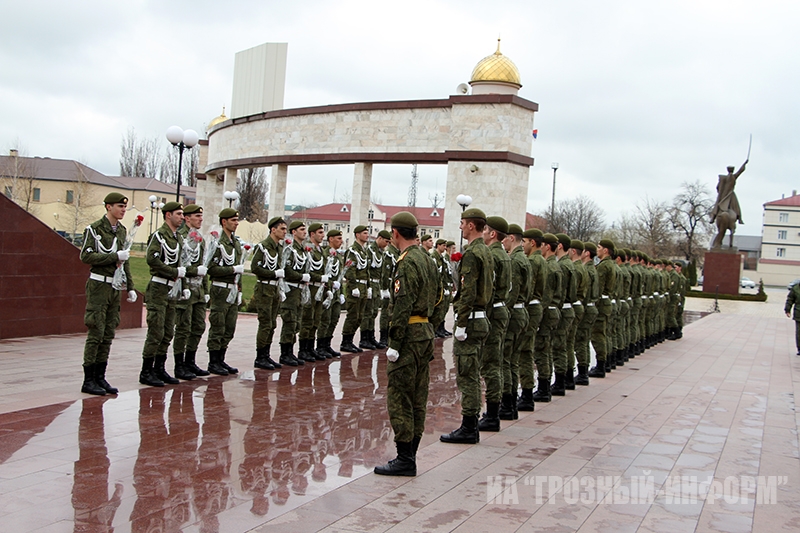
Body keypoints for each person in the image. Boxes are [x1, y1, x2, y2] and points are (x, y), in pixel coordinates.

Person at [374, 212, 437, 476]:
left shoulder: (408, 261)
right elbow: (439, 296)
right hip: (424, 330)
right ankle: (411, 452)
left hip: (409, 334)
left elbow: (402, 304)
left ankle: (404, 458)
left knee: (400, 396)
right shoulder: (428, 259)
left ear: (395, 234)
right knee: (418, 396)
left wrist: (395, 341)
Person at [441, 208, 493, 445]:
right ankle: (470, 424)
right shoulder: (486, 250)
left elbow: (469, 291)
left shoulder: (472, 253)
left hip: (471, 320)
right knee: (472, 372)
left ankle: (469, 427)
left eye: (462, 223)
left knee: (467, 374)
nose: (460, 227)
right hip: (480, 318)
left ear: (472, 226)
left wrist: (461, 323)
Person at [79, 192, 137, 395]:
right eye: (119, 206)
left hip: (114, 286)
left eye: (124, 207)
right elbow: (85, 255)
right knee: (96, 331)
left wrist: (130, 286)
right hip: (98, 286)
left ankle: (100, 376)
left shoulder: (121, 231)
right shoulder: (94, 229)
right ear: (108, 207)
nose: (123, 210)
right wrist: (113, 256)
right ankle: (88, 380)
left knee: (108, 333)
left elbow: (125, 261)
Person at [139, 201, 189, 387]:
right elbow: (152, 261)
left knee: (168, 331)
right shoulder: (159, 236)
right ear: (168, 215)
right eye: (179, 214)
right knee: (156, 331)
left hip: (172, 289)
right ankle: (146, 371)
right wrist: (173, 273)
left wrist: (182, 284)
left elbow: (180, 264)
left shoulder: (177, 238)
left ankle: (159, 368)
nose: (182, 218)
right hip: (159, 287)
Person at [478, 216, 511, 431]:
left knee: (490, 365)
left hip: (493, 311)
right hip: (501, 310)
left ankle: (491, 415)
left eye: (486, 230)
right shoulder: (504, 255)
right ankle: (494, 410)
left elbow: (487, 290)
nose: (482, 233)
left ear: (492, 234)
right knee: (496, 362)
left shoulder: (493, 255)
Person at [497, 223, 531, 423]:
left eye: (505, 238)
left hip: (514, 313)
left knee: (506, 361)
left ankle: (507, 405)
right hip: (522, 312)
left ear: (511, 237)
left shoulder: (516, 261)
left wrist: (503, 314)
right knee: (513, 360)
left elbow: (512, 292)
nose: (503, 242)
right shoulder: (522, 259)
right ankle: (510, 404)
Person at [173, 204, 210, 379]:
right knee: (183, 328)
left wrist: (206, 290)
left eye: (201, 217)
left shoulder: (199, 239)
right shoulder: (180, 237)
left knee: (198, 326)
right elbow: (180, 265)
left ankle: (190, 361)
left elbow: (203, 264)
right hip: (184, 289)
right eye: (197, 216)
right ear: (187, 218)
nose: (200, 219)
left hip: (198, 291)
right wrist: (195, 272)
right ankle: (179, 365)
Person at [206, 208, 244, 375]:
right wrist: (232, 269)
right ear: (224, 222)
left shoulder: (235, 242)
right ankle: (213, 361)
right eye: (233, 220)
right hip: (220, 289)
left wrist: (240, 287)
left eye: (237, 220)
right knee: (218, 326)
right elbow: (211, 268)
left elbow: (240, 269)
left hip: (233, 289)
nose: (236, 223)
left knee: (229, 327)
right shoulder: (217, 242)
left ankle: (221, 359)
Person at [250, 216, 288, 368]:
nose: (285, 232)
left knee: (272, 324)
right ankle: (260, 357)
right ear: (273, 229)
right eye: (282, 229)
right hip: (265, 288)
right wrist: (273, 274)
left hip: (274, 289)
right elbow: (255, 267)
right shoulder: (263, 246)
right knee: (265, 323)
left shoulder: (279, 247)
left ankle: (266, 354)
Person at [517, 228, 546, 411]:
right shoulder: (541, 260)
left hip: (531, 306)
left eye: (525, 241)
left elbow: (528, 288)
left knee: (525, 352)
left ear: (532, 243)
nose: (523, 245)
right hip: (536, 305)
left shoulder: (533, 261)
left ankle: (527, 394)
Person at [532, 233, 562, 402]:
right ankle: (546, 385)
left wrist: (538, 314)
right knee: (547, 349)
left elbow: (546, 294)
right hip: (554, 310)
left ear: (548, 247)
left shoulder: (550, 267)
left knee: (542, 350)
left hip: (547, 311)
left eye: (543, 245)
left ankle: (544, 388)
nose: (541, 248)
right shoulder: (554, 265)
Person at [279, 220, 313, 363]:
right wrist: (301, 277)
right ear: (294, 232)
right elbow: (286, 270)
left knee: (296, 323)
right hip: (291, 290)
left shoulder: (302, 249)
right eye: (301, 229)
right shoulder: (289, 248)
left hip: (299, 291)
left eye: (305, 230)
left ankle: (290, 352)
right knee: (289, 322)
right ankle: (284, 354)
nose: (305, 232)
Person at [299, 222, 330, 361]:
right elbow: (308, 270)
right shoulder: (308, 249)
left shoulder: (321, 251)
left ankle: (310, 348)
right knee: (307, 319)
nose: (323, 235)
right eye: (320, 233)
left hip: (320, 288)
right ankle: (303, 349)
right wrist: (320, 278)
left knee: (315, 320)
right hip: (310, 288)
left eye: (323, 233)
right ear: (312, 234)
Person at [551, 233, 576, 396]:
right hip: (569, 307)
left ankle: (561, 382)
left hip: (563, 307)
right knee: (566, 344)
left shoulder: (563, 265)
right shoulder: (569, 264)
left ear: (559, 246)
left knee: (559, 345)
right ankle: (567, 378)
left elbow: (560, 291)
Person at [589, 239, 616, 378]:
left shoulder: (604, 266)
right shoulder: (609, 265)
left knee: (598, 334)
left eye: (599, 247)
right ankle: (603, 363)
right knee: (603, 333)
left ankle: (601, 365)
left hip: (601, 304)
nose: (597, 249)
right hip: (606, 303)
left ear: (605, 250)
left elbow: (597, 288)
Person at [341, 225, 370, 353]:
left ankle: (350, 340)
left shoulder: (363, 251)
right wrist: (353, 287)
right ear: (357, 235)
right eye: (364, 233)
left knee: (360, 316)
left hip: (363, 286)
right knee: (352, 315)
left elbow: (367, 271)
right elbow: (349, 270)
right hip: (356, 286)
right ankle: (345, 342)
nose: (367, 235)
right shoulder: (353, 251)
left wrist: (367, 287)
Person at [318, 229, 345, 357]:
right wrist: (329, 286)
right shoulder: (325, 254)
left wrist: (341, 293)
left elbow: (340, 275)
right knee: (325, 319)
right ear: (331, 239)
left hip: (336, 291)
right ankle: (320, 346)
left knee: (334, 318)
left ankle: (327, 344)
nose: (341, 241)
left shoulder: (339, 255)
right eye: (338, 238)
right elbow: (323, 272)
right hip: (327, 291)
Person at [359, 230, 388, 349]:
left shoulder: (380, 252)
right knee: (368, 313)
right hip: (370, 284)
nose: (387, 244)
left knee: (374, 312)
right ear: (380, 238)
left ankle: (371, 337)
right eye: (386, 241)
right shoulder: (370, 251)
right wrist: (369, 287)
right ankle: (364, 338)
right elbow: (367, 270)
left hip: (377, 285)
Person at [575, 242, 599, 385]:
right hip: (590, 306)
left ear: (587, 253)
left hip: (587, 306)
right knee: (583, 340)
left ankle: (583, 373)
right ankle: (583, 371)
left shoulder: (588, 270)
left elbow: (585, 292)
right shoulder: (591, 269)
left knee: (581, 340)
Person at [378, 230, 399, 347]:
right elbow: (385, 273)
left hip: (395, 286)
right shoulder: (389, 253)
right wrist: (384, 288)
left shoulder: (396, 252)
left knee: (392, 313)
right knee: (386, 312)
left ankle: (389, 335)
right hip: (389, 287)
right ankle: (383, 337)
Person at [710, 160, 747, 224]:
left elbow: (717, 187)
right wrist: (744, 164)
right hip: (729, 194)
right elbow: (740, 171)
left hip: (725, 194)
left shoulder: (723, 178)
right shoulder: (731, 177)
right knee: (736, 207)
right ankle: (739, 219)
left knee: (717, 205)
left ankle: (713, 217)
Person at [431, 239, 453, 338]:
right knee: (436, 309)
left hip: (443, 287)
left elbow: (445, 274)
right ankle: (435, 329)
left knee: (443, 309)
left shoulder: (441, 258)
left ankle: (440, 328)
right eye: (443, 245)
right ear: (438, 246)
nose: (445, 248)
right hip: (436, 288)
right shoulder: (434, 258)